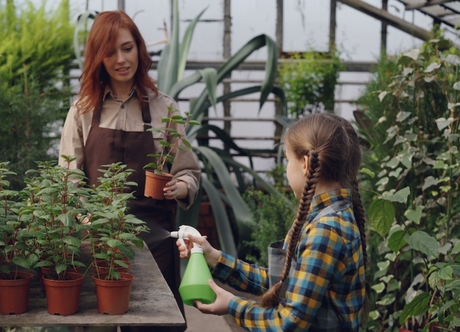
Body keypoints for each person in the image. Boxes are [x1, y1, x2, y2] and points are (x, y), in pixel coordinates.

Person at [59, 10, 200, 332]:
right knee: (98, 323)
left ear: (139, 48)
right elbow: (67, 180)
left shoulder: (165, 108)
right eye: (110, 52)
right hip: (98, 242)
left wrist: (180, 187)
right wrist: (84, 216)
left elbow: (189, 171)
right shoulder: (82, 111)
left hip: (155, 241)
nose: (121, 59)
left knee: (154, 325)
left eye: (127, 48)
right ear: (99, 58)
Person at [177, 112, 368, 331]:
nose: (287, 169)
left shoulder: (325, 230)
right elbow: (283, 284)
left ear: (305, 163)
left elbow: (287, 323)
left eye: (288, 160)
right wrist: (213, 257)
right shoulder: (325, 218)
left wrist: (232, 305)